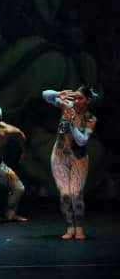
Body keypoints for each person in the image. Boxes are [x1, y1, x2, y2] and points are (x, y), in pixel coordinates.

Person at [43, 87, 98, 240]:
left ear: (88, 100)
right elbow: (45, 95)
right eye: (75, 98)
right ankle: (69, 227)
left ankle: (79, 227)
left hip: (78, 158)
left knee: (76, 195)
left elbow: (82, 141)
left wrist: (72, 122)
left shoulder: (90, 119)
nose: (76, 101)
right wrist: (57, 94)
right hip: (60, 156)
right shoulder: (66, 106)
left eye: (80, 98)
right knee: (65, 194)